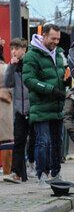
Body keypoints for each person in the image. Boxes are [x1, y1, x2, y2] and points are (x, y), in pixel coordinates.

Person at [22, 24, 67, 186]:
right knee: (43, 142)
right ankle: (41, 174)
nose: (56, 42)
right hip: (40, 107)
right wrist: (50, 89)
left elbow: (63, 74)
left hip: (57, 107)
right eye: (53, 38)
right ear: (44, 36)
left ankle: (56, 173)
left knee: (57, 142)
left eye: (58, 39)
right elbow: (28, 80)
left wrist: (66, 81)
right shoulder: (32, 55)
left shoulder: (60, 54)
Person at [2, 38, 34, 183]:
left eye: (17, 49)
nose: (14, 52)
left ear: (24, 49)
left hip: (33, 108)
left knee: (34, 141)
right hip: (19, 110)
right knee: (19, 141)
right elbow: (7, 83)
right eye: (12, 49)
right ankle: (18, 173)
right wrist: (10, 67)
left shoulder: (30, 62)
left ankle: (36, 167)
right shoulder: (13, 66)